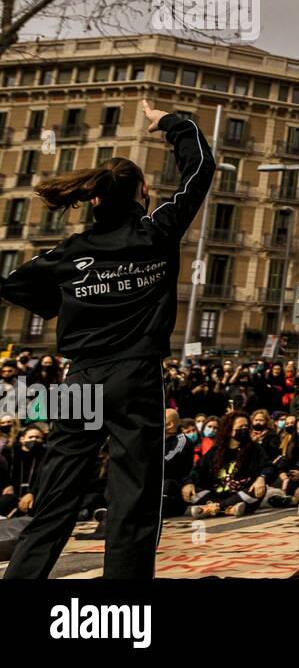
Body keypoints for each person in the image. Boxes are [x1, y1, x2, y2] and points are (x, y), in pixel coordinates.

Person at [0, 100, 214, 578]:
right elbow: (201, 167)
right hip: (136, 376)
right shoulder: (159, 230)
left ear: (94, 198)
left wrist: (66, 306)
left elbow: (12, 284)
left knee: (56, 497)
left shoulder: (69, 253)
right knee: (133, 499)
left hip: (81, 379)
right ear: (143, 193)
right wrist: (169, 123)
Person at [184, 411, 267, 518]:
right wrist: (189, 483)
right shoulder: (216, 451)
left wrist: (262, 478)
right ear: (229, 429)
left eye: (246, 426)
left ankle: (212, 508)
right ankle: (228, 509)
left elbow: (268, 466)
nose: (244, 429)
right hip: (217, 495)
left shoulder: (255, 448)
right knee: (190, 491)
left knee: (257, 490)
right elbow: (198, 469)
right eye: (240, 427)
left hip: (241, 495)